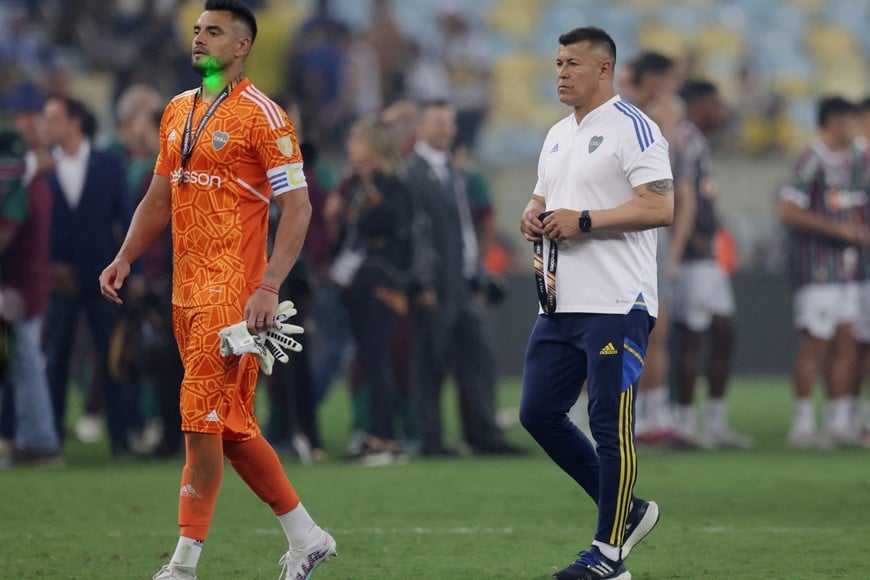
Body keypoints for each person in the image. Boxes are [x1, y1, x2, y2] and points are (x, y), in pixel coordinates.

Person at [97, 2, 335, 578]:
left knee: (200, 424)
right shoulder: (178, 109)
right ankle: (308, 538)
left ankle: (181, 566)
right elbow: (159, 197)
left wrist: (269, 285)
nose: (199, 39)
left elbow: (298, 207)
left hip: (234, 296)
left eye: (214, 31)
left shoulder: (266, 116)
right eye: (197, 29)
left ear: (242, 46)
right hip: (185, 290)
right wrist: (126, 255)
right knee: (228, 426)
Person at [518, 27, 673, 580]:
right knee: (537, 413)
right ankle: (627, 512)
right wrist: (532, 213)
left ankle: (607, 554)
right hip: (559, 303)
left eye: (573, 63)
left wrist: (585, 221)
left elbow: (660, 208)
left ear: (603, 69)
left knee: (610, 422)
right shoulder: (558, 134)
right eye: (558, 62)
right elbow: (544, 194)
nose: (561, 71)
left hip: (617, 301)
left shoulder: (635, 127)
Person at [406, 100, 518, 457]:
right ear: (421, 128)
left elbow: (467, 230)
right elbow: (415, 233)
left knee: (478, 358)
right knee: (432, 362)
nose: (446, 130)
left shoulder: (456, 171)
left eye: (449, 123)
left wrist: (479, 273)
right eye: (438, 123)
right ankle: (432, 439)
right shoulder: (412, 172)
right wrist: (422, 282)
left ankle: (484, 433)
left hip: (465, 281)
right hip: (437, 283)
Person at [41, 94, 134, 457]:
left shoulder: (109, 165)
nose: (47, 127)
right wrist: (48, 266)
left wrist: (132, 271)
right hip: (59, 278)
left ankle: (121, 438)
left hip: (103, 275)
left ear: (74, 121)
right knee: (55, 360)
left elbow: (126, 220)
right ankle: (51, 438)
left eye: (53, 119)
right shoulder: (45, 167)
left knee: (112, 359)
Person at [779, 96, 869, 449]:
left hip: (848, 271)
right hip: (817, 270)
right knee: (814, 345)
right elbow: (788, 211)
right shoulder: (811, 159)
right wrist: (837, 230)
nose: (854, 127)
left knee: (847, 342)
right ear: (831, 122)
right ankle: (801, 425)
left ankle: (837, 422)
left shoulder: (858, 160)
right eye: (849, 120)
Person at [669, 80, 753, 449]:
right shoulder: (684, 139)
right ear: (699, 104)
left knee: (723, 333)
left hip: (709, 258)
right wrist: (688, 241)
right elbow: (674, 194)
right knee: (692, 336)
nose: (722, 112)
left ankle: (715, 421)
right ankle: (684, 422)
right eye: (715, 105)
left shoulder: (699, 143)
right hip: (692, 258)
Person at [332, 115, 415, 464]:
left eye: (356, 139)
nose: (350, 145)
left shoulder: (393, 185)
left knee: (378, 360)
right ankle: (374, 435)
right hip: (356, 283)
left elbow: (395, 229)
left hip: (381, 283)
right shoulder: (356, 186)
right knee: (368, 359)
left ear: (372, 145)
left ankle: (387, 439)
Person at [0, 122, 61, 467]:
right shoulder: (32, 183)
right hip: (28, 285)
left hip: (19, 289)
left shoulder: (20, 189)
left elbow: (5, 236)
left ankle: (39, 442)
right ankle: (34, 441)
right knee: (26, 367)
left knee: (26, 365)